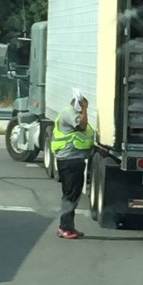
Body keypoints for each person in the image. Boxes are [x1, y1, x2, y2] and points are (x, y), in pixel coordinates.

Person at [51, 90, 94, 240]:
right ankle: (64, 227)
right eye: (83, 105)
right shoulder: (69, 113)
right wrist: (85, 109)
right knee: (70, 194)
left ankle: (69, 226)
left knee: (74, 194)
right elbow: (82, 126)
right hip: (68, 160)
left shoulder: (72, 114)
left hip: (75, 159)